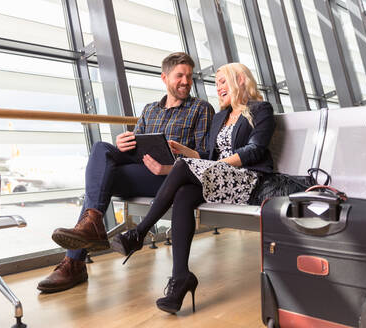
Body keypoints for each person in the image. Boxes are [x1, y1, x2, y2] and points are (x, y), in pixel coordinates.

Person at [37, 52, 215, 293]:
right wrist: (124, 144)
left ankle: (74, 261)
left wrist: (170, 164)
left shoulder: (201, 108)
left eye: (189, 77)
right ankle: (91, 224)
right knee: (102, 149)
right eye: (179, 76)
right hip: (140, 169)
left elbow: (204, 155)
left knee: (100, 184)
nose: (185, 81)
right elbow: (136, 144)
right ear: (164, 78)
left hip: (169, 177)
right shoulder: (150, 109)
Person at [111, 62, 276, 314]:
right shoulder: (221, 117)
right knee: (184, 193)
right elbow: (206, 155)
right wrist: (184, 151)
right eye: (216, 83)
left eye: (223, 81)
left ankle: (139, 233)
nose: (218, 87)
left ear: (240, 80)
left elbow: (255, 150)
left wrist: (214, 166)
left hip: (247, 179)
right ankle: (180, 278)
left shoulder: (260, 109)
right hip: (218, 178)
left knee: (183, 168)